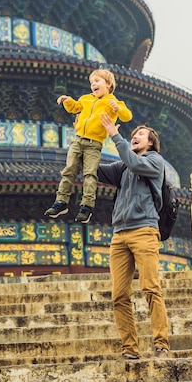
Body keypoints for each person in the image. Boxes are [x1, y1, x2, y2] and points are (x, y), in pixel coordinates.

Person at [97, 112, 170, 359]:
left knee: (150, 288)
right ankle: (129, 348)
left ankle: (161, 343)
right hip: (119, 235)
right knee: (119, 295)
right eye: (133, 135)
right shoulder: (123, 168)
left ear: (150, 142)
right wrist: (86, 139)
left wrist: (116, 136)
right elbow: (95, 170)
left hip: (144, 231)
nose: (134, 137)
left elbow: (135, 163)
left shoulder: (154, 161)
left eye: (139, 134)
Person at [44, 68, 132, 223]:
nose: (93, 85)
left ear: (109, 84)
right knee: (69, 170)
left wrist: (118, 109)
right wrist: (67, 100)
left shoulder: (113, 102)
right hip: (78, 140)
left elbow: (127, 116)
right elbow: (75, 107)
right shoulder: (86, 99)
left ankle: (86, 206)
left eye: (97, 81)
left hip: (94, 144)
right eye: (92, 82)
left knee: (90, 174)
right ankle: (61, 202)